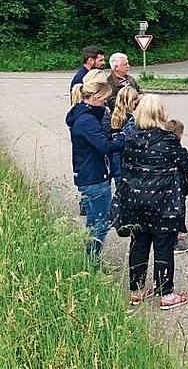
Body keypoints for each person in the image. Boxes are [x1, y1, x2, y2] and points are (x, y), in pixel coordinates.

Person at [117, 95, 188, 309]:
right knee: (163, 245)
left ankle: (137, 290)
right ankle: (166, 294)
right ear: (161, 112)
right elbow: (187, 165)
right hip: (163, 201)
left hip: (135, 199)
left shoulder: (129, 137)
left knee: (139, 243)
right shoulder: (168, 140)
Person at [65, 79, 124, 259]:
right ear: (95, 96)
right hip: (94, 176)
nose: (106, 102)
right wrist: (122, 138)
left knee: (92, 222)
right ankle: (92, 260)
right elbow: (104, 146)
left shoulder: (81, 115)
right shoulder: (87, 121)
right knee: (101, 223)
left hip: (88, 174)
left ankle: (90, 258)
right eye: (104, 98)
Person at [165, 119, 188, 255]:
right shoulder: (178, 150)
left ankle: (171, 237)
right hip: (177, 187)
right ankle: (174, 242)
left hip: (165, 187)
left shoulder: (162, 146)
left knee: (167, 212)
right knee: (177, 212)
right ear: (180, 134)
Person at [110, 86, 139, 183]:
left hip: (115, 160)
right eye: (135, 99)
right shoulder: (129, 119)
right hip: (126, 161)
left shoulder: (114, 116)